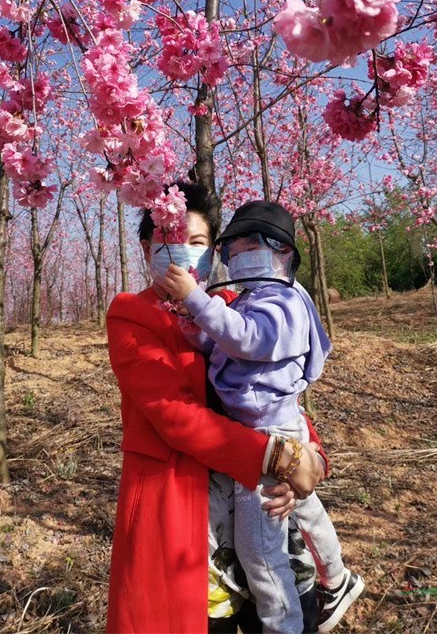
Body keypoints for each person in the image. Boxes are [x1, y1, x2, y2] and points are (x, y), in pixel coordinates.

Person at [105, 183, 328, 634]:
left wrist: (312, 460)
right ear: (148, 248)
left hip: (257, 508)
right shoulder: (131, 315)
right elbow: (177, 418)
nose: (185, 253)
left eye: (198, 242)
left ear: (213, 253)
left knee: (283, 610)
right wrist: (277, 458)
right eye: (171, 240)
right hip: (182, 515)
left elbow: (276, 393)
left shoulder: (235, 307)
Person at [158, 200, 365, 634]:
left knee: (260, 550)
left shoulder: (284, 300)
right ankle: (337, 577)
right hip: (265, 429)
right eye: (235, 243)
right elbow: (223, 350)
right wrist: (193, 321)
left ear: (280, 251)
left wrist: (195, 299)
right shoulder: (256, 297)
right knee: (307, 512)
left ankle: (284, 624)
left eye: (246, 242)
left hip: (265, 432)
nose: (240, 251)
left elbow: (249, 340)